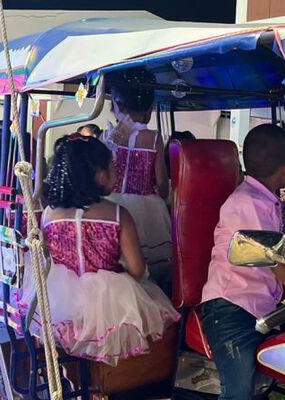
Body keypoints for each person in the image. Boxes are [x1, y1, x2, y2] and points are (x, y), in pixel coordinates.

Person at [197, 124, 285, 400]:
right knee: (237, 394)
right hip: (231, 307)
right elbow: (272, 260)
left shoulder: (264, 199)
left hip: (259, 306)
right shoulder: (247, 203)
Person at [37, 135, 179, 363]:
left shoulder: (49, 214)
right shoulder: (118, 214)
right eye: (113, 166)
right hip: (111, 307)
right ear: (100, 176)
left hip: (61, 304)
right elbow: (137, 269)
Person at [105, 70, 172, 283]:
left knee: (117, 261)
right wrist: (165, 194)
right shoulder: (153, 138)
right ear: (148, 108)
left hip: (113, 204)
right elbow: (162, 183)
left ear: (119, 105)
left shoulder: (108, 137)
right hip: (149, 209)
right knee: (148, 267)